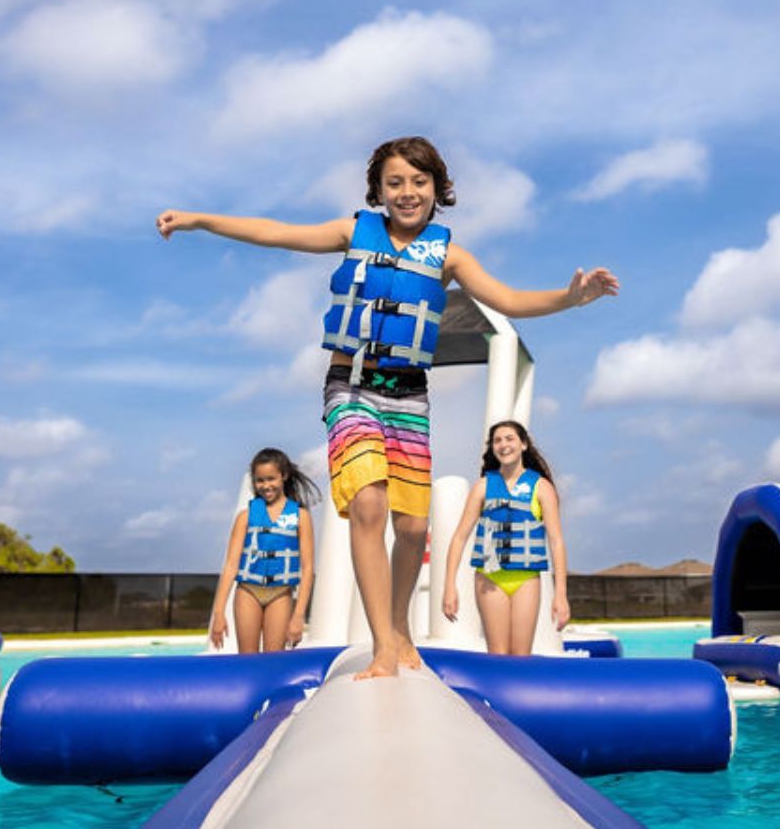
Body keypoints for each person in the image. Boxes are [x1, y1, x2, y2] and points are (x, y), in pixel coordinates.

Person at [160, 136, 617, 678]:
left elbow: (511, 300)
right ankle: (383, 645)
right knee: (369, 503)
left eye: (419, 182)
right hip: (351, 386)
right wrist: (199, 220)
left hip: (408, 395)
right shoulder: (354, 232)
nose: (407, 192)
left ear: (437, 189)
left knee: (415, 528)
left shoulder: (449, 256)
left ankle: (399, 628)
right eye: (395, 182)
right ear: (378, 190)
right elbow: (274, 232)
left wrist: (571, 298)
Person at [441, 420, 569, 655]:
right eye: (497, 440)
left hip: (526, 580)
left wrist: (560, 595)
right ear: (492, 448)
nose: (503, 444)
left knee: (521, 655)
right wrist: (449, 586)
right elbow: (459, 538)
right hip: (490, 579)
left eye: (510, 438)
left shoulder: (542, 488)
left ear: (523, 444)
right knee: (497, 653)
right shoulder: (482, 487)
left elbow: (557, 542)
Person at [210, 448, 319, 654]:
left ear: (284, 476)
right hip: (248, 592)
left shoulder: (301, 517)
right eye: (260, 480)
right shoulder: (245, 516)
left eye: (271, 479)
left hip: (280, 594)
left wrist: (298, 616)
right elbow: (231, 565)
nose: (266, 485)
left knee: (273, 660)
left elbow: (307, 569)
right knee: (247, 659)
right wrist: (218, 613)